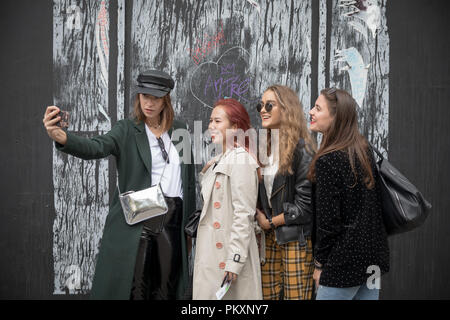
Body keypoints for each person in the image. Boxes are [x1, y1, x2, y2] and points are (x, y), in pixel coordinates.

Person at [42, 70, 196, 300]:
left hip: (173, 219)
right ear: (138, 97)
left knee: (167, 290)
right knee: (136, 289)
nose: (149, 103)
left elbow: (188, 180)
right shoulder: (127, 129)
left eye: (155, 97)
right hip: (140, 217)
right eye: (145, 96)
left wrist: (190, 227)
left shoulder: (180, 129)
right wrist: (63, 138)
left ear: (166, 98)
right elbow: (97, 147)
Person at [308, 88, 390, 300]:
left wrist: (319, 265)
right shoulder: (364, 151)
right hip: (372, 260)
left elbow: (328, 224)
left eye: (318, 108)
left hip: (342, 264)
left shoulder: (328, 161)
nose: (310, 112)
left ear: (336, 117)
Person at [192, 98, 262, 300]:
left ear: (235, 127)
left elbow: (243, 214)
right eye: (210, 120)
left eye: (217, 121)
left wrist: (235, 260)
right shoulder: (221, 160)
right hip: (213, 253)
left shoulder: (240, 160)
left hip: (227, 256)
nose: (210, 126)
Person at [255, 84, 316, 300]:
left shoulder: (303, 150)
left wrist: (270, 222)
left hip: (294, 239)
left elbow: (304, 208)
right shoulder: (263, 148)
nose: (263, 110)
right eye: (260, 105)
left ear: (286, 108)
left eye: (269, 105)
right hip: (268, 239)